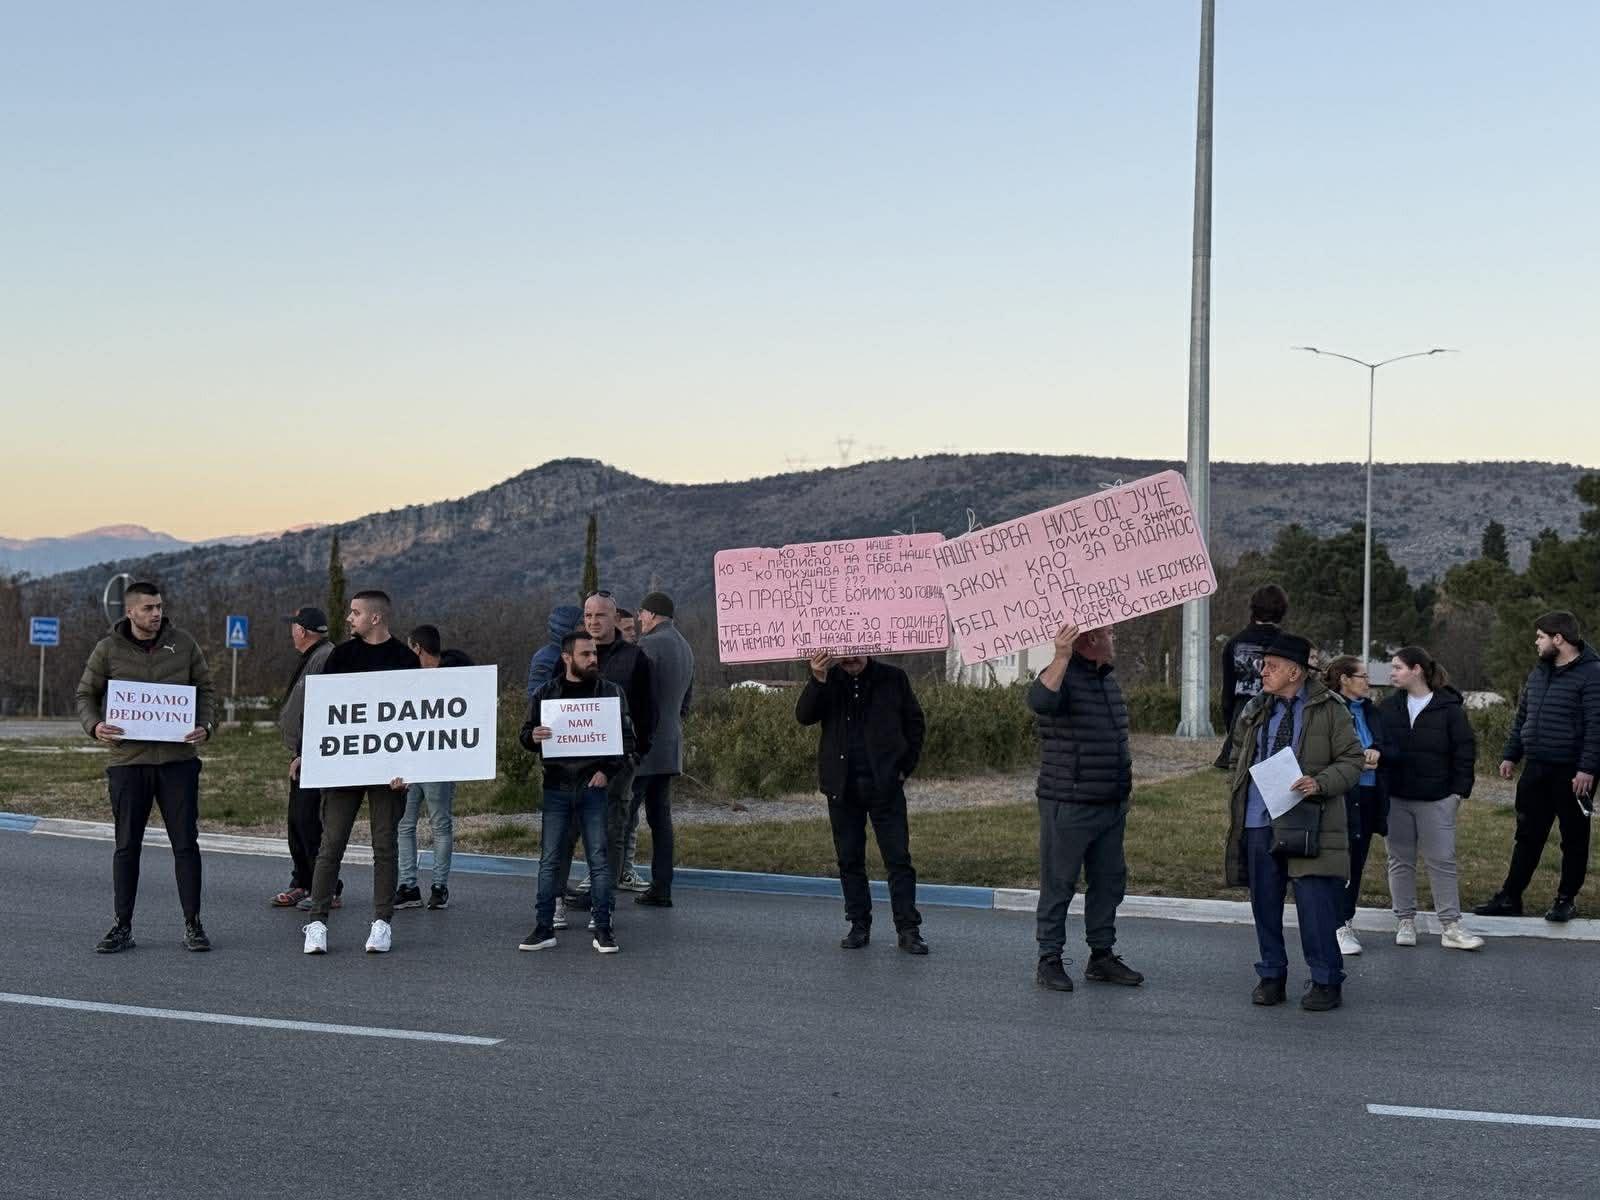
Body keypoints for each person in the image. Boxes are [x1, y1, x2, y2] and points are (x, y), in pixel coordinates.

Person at [75, 580, 218, 954]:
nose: (156, 614)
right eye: (148, 608)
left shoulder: (183, 644)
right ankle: (122, 926)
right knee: (126, 847)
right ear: (130, 612)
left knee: (185, 844)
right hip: (128, 763)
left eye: (159, 607)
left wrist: (206, 725)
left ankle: (193, 924)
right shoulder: (107, 649)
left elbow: (206, 689)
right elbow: (85, 694)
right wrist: (95, 725)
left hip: (178, 763)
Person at [1224, 633, 1363, 1012]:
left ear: (1294, 672)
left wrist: (1320, 783)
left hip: (1309, 819)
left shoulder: (1330, 709)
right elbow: (1237, 754)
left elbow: (1353, 760)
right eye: (1262, 665)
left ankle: (1325, 980)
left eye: (1271, 666)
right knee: (1264, 904)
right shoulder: (1255, 708)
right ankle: (1271, 975)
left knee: (1315, 906)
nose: (1262, 672)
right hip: (1258, 819)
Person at [299, 590, 420, 955]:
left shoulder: (404, 658)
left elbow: (417, 717)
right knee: (331, 843)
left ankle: (382, 923)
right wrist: (307, 754)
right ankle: (316, 923)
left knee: (385, 845)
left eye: (355, 613)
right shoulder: (342, 655)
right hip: (343, 766)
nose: (349, 619)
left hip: (389, 772)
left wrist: (409, 768)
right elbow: (323, 710)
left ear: (376, 618)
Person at [1027, 622, 1145, 992]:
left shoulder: (1105, 679)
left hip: (1110, 803)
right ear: (1091, 639)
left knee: (1109, 882)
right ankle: (1049, 958)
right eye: (1110, 633)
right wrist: (1060, 656)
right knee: (1059, 883)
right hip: (1069, 802)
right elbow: (1040, 702)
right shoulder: (1060, 676)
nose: (1114, 638)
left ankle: (1101, 955)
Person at [795, 649, 929, 954]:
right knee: (850, 859)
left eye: (855, 653)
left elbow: (915, 724)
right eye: (844, 654)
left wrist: (903, 768)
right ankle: (858, 925)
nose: (850, 659)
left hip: (885, 786)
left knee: (898, 859)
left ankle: (908, 930)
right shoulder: (827, 680)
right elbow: (804, 716)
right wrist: (817, 677)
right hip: (842, 787)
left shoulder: (894, 679)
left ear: (868, 647)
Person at [1475, 611, 1600, 923]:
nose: (1536, 642)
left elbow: (1597, 725)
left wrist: (1587, 768)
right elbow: (1523, 717)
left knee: (1573, 837)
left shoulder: (1592, 673)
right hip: (1536, 769)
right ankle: (1510, 897)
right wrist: (1510, 754)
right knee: (1527, 834)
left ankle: (1565, 900)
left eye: (1541, 636)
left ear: (1559, 639)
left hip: (1573, 773)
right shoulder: (1539, 672)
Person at [518, 630, 635, 954]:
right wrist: (534, 737)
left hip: (593, 788)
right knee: (549, 861)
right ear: (567, 658)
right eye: (585, 654)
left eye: (595, 654)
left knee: (599, 860)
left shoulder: (610, 693)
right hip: (556, 787)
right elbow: (525, 734)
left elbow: (626, 741)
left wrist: (606, 772)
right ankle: (543, 928)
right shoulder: (545, 694)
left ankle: (603, 929)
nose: (593, 659)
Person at [557, 592, 655, 923]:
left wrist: (637, 753)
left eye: (600, 616)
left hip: (618, 762)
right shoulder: (573, 654)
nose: (593, 621)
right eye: (588, 615)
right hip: (574, 761)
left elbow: (646, 710)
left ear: (615, 619)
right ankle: (557, 899)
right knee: (568, 828)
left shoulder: (635, 659)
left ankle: (604, 904)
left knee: (611, 830)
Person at [1377, 646, 1484, 951]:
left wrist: (1457, 793)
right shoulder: (1388, 708)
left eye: (1397, 667)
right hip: (1396, 798)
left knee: (1442, 861)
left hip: (1437, 798)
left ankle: (1450, 926)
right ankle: (1405, 921)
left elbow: (1465, 751)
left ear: (1417, 670)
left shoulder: (1449, 708)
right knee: (1399, 860)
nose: (1392, 673)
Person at [392, 624, 472, 912]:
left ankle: (414, 885)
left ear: (417, 648)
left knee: (412, 824)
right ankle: (430, 887)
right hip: (424, 761)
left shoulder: (417, 679)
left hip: (429, 761)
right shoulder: (458, 675)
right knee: (427, 824)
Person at [1323, 654, 1392, 956]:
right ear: (1344, 679)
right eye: (1362, 676)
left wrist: (1377, 750)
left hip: (1369, 796)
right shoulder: (1329, 710)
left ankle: (1345, 919)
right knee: (1341, 861)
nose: (1367, 681)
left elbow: (1389, 745)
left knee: (1357, 861)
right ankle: (1336, 924)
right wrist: (1355, 761)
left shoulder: (1372, 712)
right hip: (1341, 795)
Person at [629, 591, 694, 908]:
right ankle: (661, 886)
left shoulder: (648, 646)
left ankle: (602, 886)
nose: (639, 620)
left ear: (652, 614)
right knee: (661, 820)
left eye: (641, 614)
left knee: (622, 817)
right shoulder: (685, 647)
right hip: (670, 746)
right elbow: (685, 703)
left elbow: (637, 695)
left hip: (645, 747)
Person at [272, 606, 338, 911]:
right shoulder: (312, 657)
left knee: (309, 821)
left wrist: (306, 753)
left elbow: (323, 710)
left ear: (302, 631)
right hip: (303, 753)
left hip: (314, 754)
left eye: (294, 626)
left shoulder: (325, 657)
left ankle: (324, 887)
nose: (291, 631)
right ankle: (301, 881)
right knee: (296, 821)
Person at [1216, 585, 1289, 769]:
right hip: (1278, 718)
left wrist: (1232, 727)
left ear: (1254, 609)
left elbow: (1227, 696)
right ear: (1281, 611)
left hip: (1242, 718)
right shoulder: (1289, 646)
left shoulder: (1234, 644)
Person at [527, 604, 583, 697]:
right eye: (581, 624)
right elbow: (535, 694)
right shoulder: (545, 658)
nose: (585, 628)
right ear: (567, 628)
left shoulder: (573, 652)